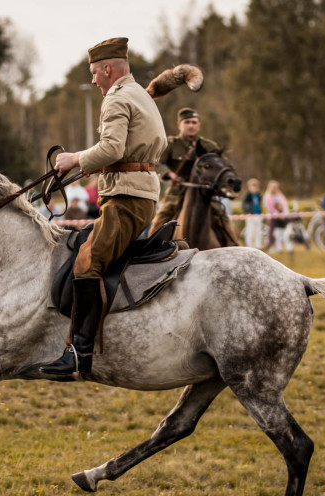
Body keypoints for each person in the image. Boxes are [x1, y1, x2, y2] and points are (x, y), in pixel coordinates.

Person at [38, 36, 167, 379]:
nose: (93, 80)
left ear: (108, 69)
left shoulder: (116, 98)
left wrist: (75, 159)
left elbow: (111, 148)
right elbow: (124, 150)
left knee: (85, 262)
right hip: (137, 192)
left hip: (126, 199)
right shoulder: (139, 94)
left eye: (95, 73)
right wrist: (93, 164)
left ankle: (79, 355)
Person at [152, 107, 228, 233]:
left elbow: (222, 165)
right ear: (179, 125)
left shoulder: (208, 146)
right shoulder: (171, 144)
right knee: (160, 219)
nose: (191, 126)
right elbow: (155, 162)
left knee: (222, 216)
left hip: (204, 192)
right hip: (178, 191)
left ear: (199, 126)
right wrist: (169, 174)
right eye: (187, 122)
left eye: (194, 122)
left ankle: (233, 244)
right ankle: (151, 248)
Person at [264, 180, 291, 253]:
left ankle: (284, 246)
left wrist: (284, 214)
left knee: (283, 233)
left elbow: (284, 205)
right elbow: (270, 207)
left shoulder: (280, 196)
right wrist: (277, 214)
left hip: (282, 217)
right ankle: (271, 245)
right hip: (273, 217)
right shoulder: (268, 196)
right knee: (272, 232)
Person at [241, 178, 264, 248]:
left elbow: (260, 205)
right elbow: (244, 205)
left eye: (256, 185)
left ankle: (258, 246)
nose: (255, 187)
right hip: (250, 215)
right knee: (250, 231)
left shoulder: (259, 195)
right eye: (253, 185)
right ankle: (249, 246)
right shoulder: (247, 195)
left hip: (258, 215)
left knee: (258, 232)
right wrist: (247, 212)